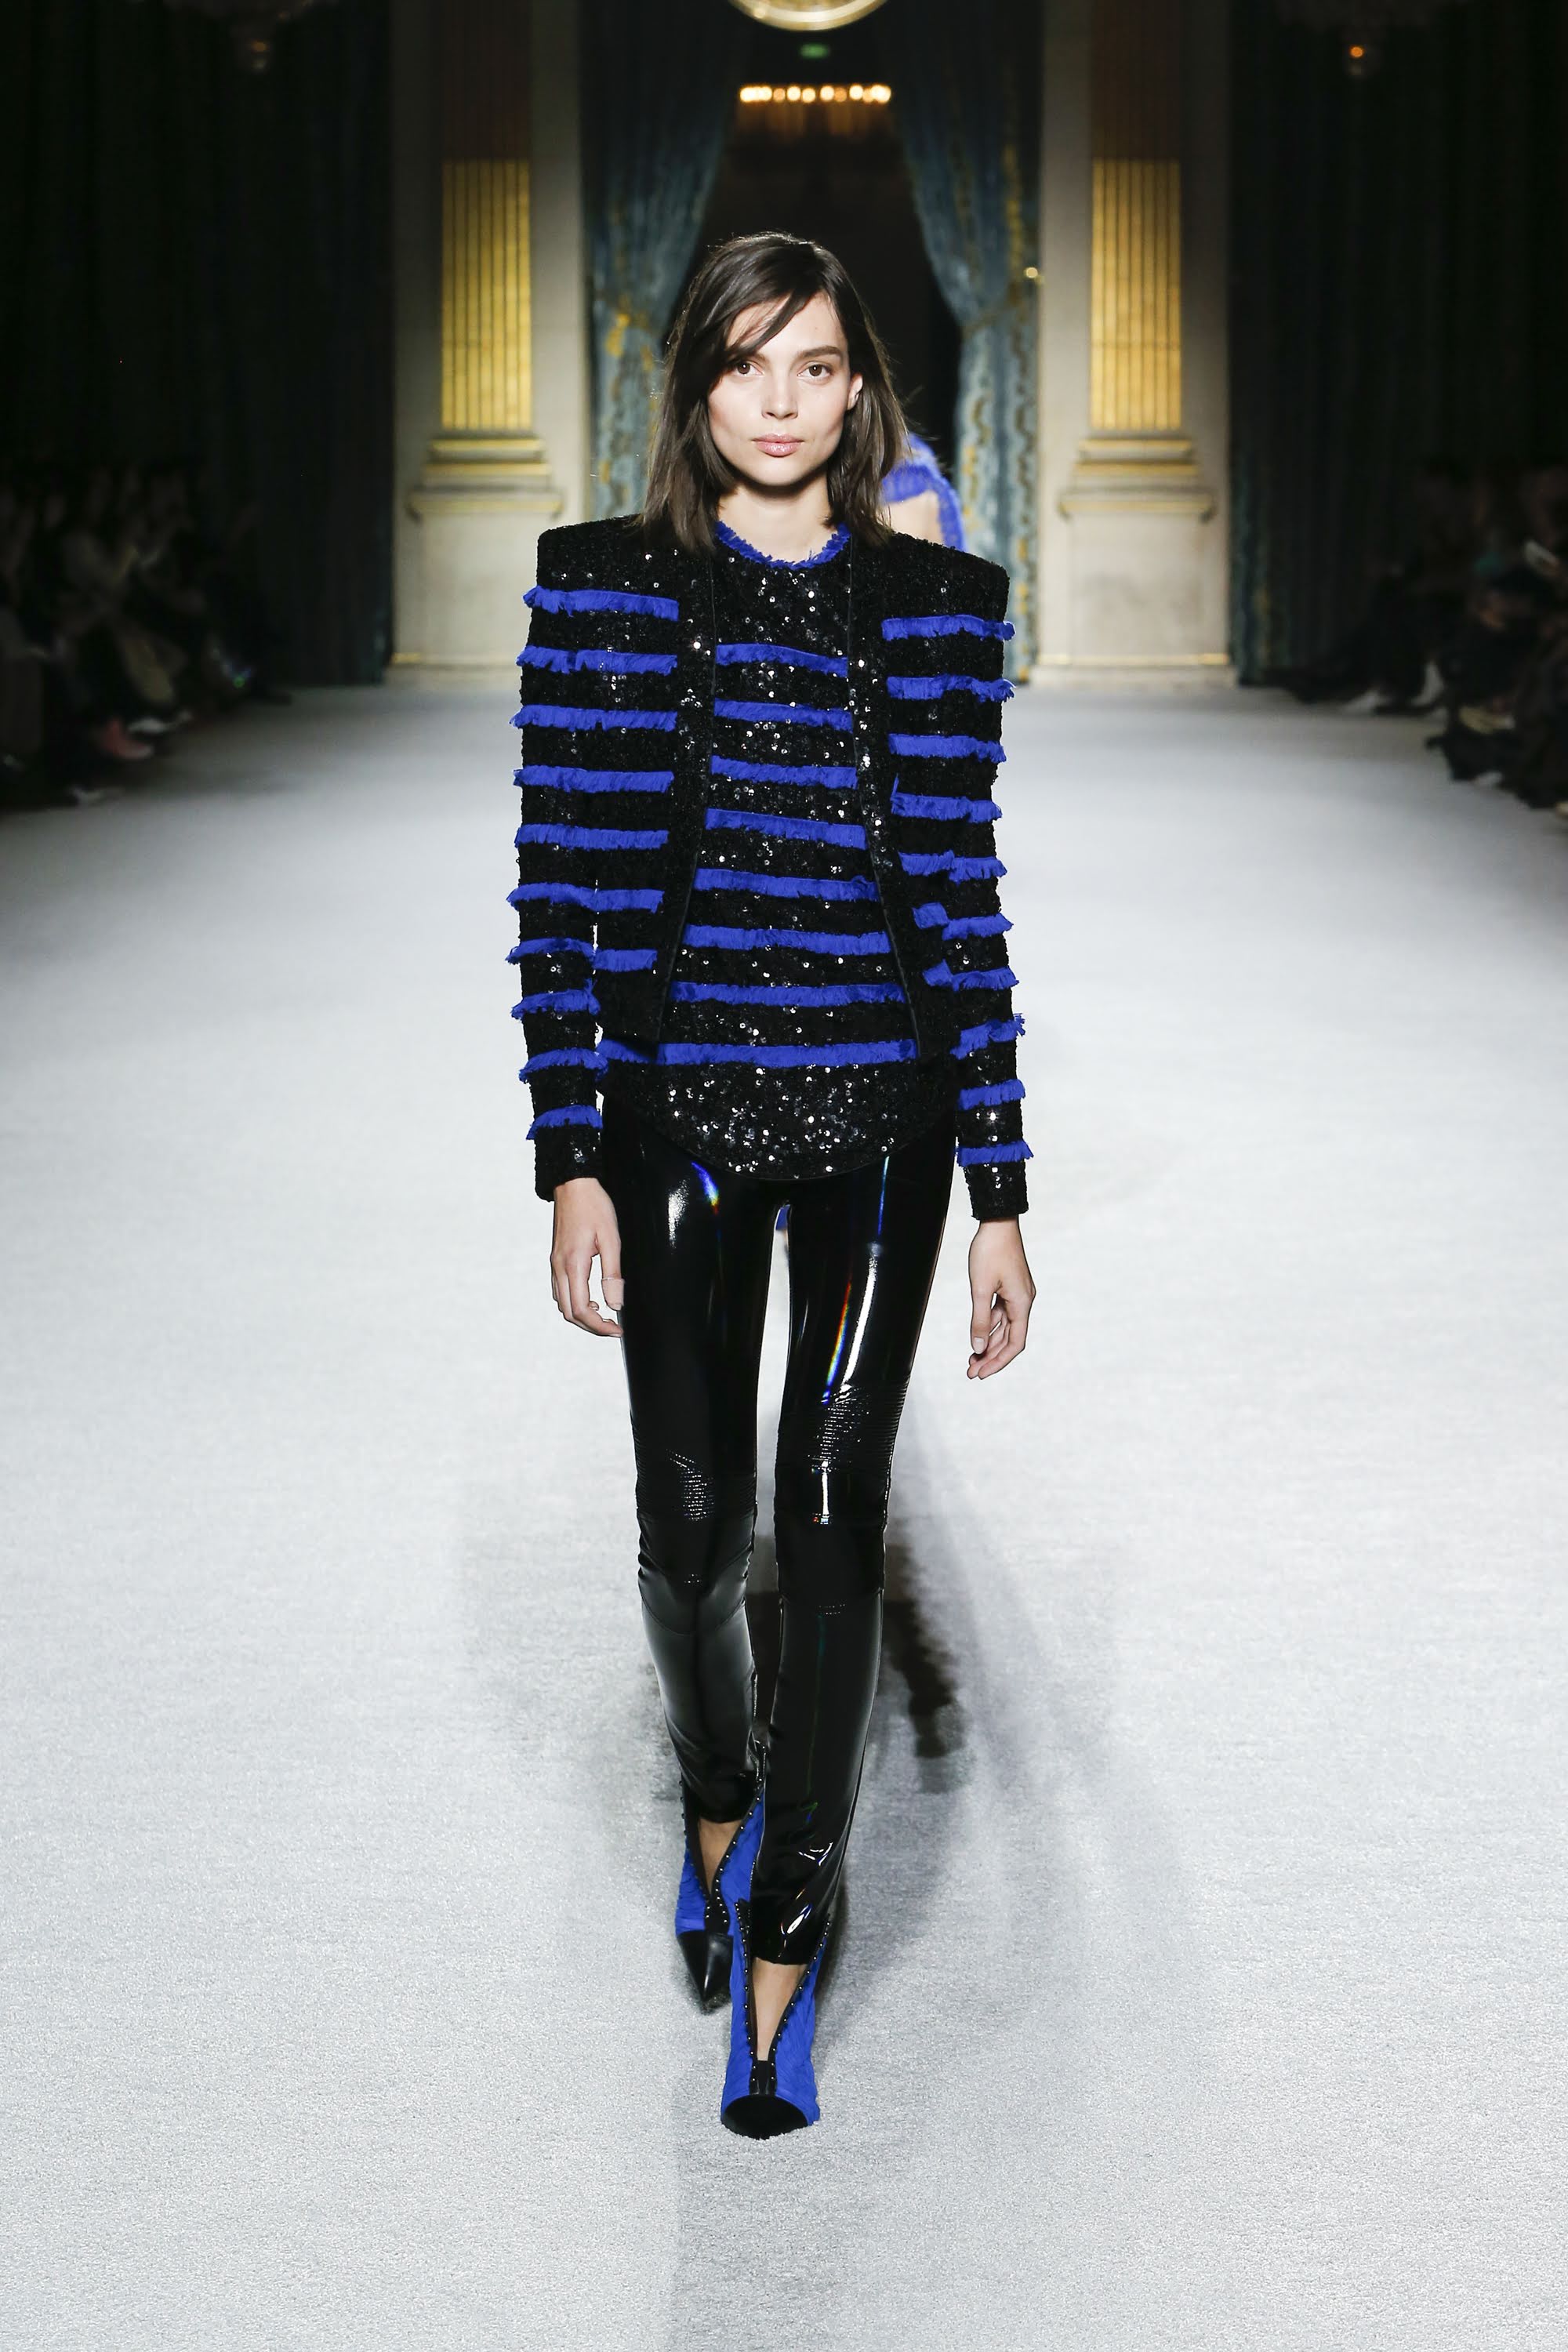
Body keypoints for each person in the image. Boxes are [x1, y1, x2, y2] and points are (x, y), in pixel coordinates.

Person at [507, 232, 1036, 2139]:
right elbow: (556, 898)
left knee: (826, 1522)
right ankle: (715, 1790)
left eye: (815, 364)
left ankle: (789, 1935)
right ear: (696, 385)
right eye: (746, 364)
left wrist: (1001, 1186)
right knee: (684, 1529)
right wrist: (569, 1155)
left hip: (884, 1119)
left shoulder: (941, 607)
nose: (782, 400)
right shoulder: (600, 586)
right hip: (672, 1113)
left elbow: (960, 898)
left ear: (859, 386)